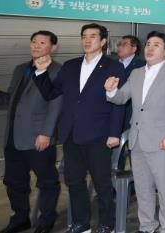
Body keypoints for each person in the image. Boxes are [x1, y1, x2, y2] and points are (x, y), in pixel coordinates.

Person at [32, 23, 127, 233]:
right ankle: (81, 223)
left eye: (93, 36)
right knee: (74, 182)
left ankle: (106, 224)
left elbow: (119, 103)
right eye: (84, 36)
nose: (87, 40)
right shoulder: (70, 66)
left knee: (102, 183)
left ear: (103, 41)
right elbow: (52, 93)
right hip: (71, 134)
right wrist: (41, 72)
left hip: (99, 134)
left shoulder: (114, 67)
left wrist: (114, 133)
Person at [105, 31, 165, 233]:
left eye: (156, 45)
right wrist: (111, 90)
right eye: (148, 44)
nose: (150, 48)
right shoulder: (136, 73)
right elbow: (121, 98)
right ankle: (147, 226)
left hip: (161, 140)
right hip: (137, 139)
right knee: (142, 188)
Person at [1, 31, 62, 233]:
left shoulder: (57, 71)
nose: (36, 46)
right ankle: (20, 218)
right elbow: (12, 98)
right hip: (13, 137)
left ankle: (47, 220)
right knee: (14, 181)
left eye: (42, 43)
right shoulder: (21, 69)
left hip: (39, 137)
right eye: (34, 42)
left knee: (47, 181)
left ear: (53, 47)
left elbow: (56, 104)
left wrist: (46, 133)